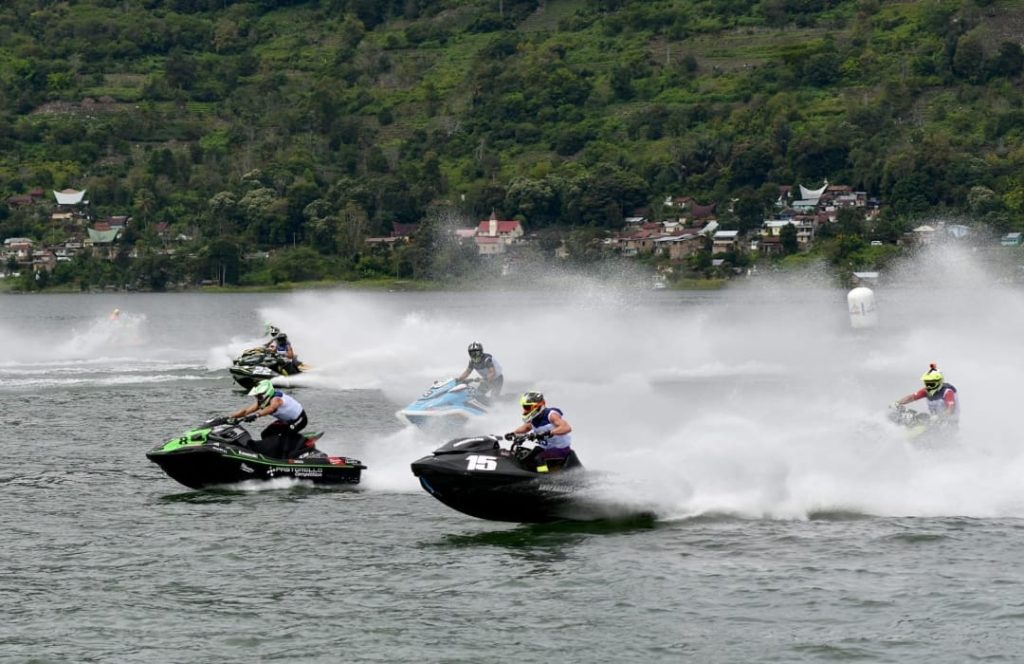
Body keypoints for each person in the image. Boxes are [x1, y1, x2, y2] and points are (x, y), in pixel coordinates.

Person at [228, 379, 311, 458]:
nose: (258, 397)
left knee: (286, 435)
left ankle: (285, 457)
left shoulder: (276, 399)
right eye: (257, 396)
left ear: (267, 392)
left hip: (300, 419)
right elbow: (246, 411)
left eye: (259, 395)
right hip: (286, 421)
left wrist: (256, 415)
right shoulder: (262, 401)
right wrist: (230, 417)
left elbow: (271, 408)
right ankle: (272, 451)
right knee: (266, 433)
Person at [505, 390, 572, 473]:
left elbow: (566, 428)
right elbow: (526, 428)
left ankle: (543, 476)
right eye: (524, 407)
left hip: (560, 448)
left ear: (537, 406)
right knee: (527, 457)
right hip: (545, 447)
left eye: (527, 407)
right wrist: (513, 433)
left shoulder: (551, 415)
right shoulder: (534, 419)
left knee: (539, 458)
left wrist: (549, 432)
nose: (525, 411)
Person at [892, 363, 959, 428]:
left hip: (948, 424)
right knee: (918, 417)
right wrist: (897, 403)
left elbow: (950, 410)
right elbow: (911, 397)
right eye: (927, 383)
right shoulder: (926, 390)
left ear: (939, 382)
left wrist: (939, 417)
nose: (928, 385)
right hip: (934, 421)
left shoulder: (947, 392)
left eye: (931, 383)